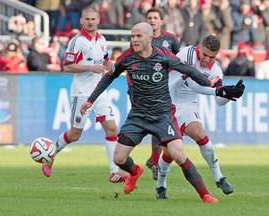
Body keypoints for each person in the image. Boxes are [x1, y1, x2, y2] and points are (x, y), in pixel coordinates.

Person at [80, 22, 242, 202]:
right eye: (132, 36)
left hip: (163, 113)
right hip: (138, 115)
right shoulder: (127, 57)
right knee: (118, 158)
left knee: (179, 153)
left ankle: (205, 194)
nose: (134, 40)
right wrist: (90, 100)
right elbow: (108, 77)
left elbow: (190, 72)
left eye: (138, 36)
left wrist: (218, 89)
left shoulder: (164, 57)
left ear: (150, 38)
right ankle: (136, 171)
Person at [42, 7, 128, 183]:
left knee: (112, 129)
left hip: (99, 92)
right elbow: (67, 66)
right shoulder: (77, 41)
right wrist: (90, 67)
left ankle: (114, 172)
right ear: (81, 21)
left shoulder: (102, 40)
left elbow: (105, 62)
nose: (90, 22)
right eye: (87, 19)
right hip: (81, 93)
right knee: (75, 135)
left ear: (98, 21)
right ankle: (51, 155)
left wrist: (118, 67)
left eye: (93, 19)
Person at [155, 35, 245, 198]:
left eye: (212, 57)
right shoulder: (187, 54)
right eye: (204, 54)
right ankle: (160, 185)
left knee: (201, 135)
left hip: (187, 106)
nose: (206, 59)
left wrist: (230, 95)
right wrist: (219, 90)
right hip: (166, 104)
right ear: (199, 47)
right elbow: (193, 83)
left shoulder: (216, 69)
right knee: (169, 153)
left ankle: (219, 178)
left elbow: (218, 101)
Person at [145, 7, 181, 180]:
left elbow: (179, 61)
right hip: (147, 88)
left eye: (155, 18)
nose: (152, 20)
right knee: (155, 125)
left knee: (159, 125)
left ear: (161, 21)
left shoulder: (170, 39)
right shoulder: (141, 39)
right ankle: (154, 162)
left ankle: (153, 161)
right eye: (149, 17)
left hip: (167, 88)